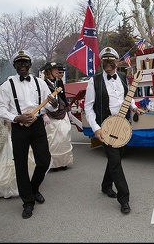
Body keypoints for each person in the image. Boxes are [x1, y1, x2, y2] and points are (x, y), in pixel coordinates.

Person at [0, 50, 58, 219]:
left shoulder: (40, 83)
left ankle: (34, 187)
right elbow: (0, 109)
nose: (22, 66)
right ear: (14, 66)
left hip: (37, 125)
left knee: (44, 161)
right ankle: (28, 202)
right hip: (19, 127)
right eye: (19, 63)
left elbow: (50, 107)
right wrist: (16, 117)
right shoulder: (7, 85)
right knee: (21, 166)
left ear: (30, 65)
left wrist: (53, 104)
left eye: (25, 63)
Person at [84, 47, 143, 214]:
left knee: (117, 158)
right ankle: (124, 199)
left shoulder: (123, 77)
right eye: (104, 61)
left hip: (123, 125)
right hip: (106, 127)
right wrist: (96, 129)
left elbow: (128, 97)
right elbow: (88, 108)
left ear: (117, 63)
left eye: (110, 61)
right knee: (116, 162)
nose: (107, 64)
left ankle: (105, 186)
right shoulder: (94, 81)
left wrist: (135, 107)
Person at [40, 62, 73, 172]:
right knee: (53, 139)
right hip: (50, 114)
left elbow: (63, 97)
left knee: (64, 136)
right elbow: (40, 101)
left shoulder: (59, 82)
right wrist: (44, 115)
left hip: (61, 111)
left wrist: (68, 110)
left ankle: (64, 162)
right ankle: (54, 164)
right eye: (54, 69)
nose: (57, 71)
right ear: (49, 71)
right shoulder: (43, 83)